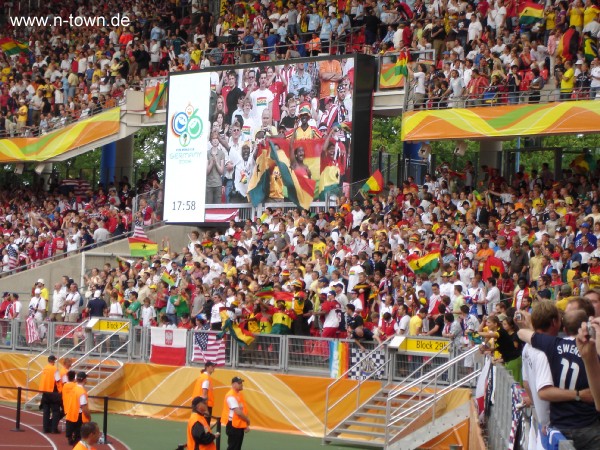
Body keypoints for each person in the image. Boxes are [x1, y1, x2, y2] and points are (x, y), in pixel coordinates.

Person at [220, 376, 250, 450]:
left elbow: (241, 411)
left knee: (236, 447)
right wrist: (247, 420)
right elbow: (238, 412)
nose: (241, 384)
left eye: (241, 383)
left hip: (237, 424)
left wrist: (244, 424)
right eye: (239, 383)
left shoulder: (238, 394)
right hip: (233, 425)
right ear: (233, 384)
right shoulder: (231, 396)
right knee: (233, 447)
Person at [65, 371, 91, 446]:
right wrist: (89, 417)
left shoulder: (74, 389)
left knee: (75, 439)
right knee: (79, 439)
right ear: (84, 380)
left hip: (71, 415)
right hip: (79, 417)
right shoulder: (81, 392)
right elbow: (84, 407)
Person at [39, 355, 61, 434]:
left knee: (46, 411)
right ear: (52, 361)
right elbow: (58, 380)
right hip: (53, 392)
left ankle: (45, 428)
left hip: (45, 392)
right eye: (54, 360)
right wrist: (60, 391)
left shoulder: (45, 368)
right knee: (55, 411)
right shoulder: (55, 369)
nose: (55, 362)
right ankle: (53, 429)